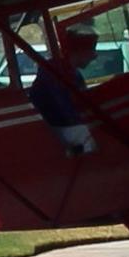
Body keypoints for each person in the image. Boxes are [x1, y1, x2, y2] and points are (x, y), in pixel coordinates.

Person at [29, 23, 99, 157]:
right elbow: (63, 106)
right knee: (87, 135)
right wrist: (83, 120)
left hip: (61, 124)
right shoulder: (54, 71)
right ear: (80, 51)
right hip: (50, 127)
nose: (94, 56)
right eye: (91, 49)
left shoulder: (74, 74)